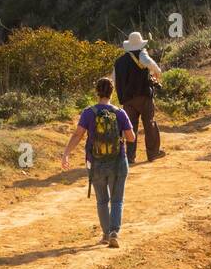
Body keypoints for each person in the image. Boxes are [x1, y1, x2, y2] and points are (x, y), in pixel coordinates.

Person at [62, 77, 135, 248]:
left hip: (95, 163)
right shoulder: (120, 113)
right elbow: (131, 137)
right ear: (112, 92)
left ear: (97, 92)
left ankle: (105, 234)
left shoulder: (88, 112)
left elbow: (77, 135)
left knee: (102, 200)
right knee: (117, 200)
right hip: (118, 162)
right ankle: (114, 232)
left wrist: (66, 153)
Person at [113, 31, 165, 163]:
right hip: (143, 95)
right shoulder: (142, 54)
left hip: (127, 99)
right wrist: (157, 74)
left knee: (130, 127)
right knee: (149, 123)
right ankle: (153, 153)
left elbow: (113, 79)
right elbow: (151, 64)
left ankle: (130, 157)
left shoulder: (118, 62)